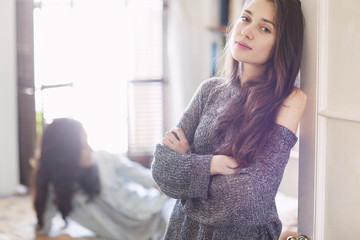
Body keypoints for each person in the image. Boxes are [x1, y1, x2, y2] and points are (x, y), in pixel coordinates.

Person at [151, 0, 306, 239]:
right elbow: (161, 167)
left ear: (282, 44)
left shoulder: (289, 100)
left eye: (265, 28)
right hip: (184, 230)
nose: (246, 31)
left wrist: (184, 174)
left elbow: (247, 198)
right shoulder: (210, 90)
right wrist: (210, 165)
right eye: (245, 18)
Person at [33, 118, 172, 240]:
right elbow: (42, 232)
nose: (90, 150)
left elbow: (145, 177)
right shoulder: (57, 190)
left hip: (156, 210)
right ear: (65, 153)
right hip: (134, 236)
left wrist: (167, 184)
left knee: (175, 213)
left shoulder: (104, 158)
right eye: (83, 146)